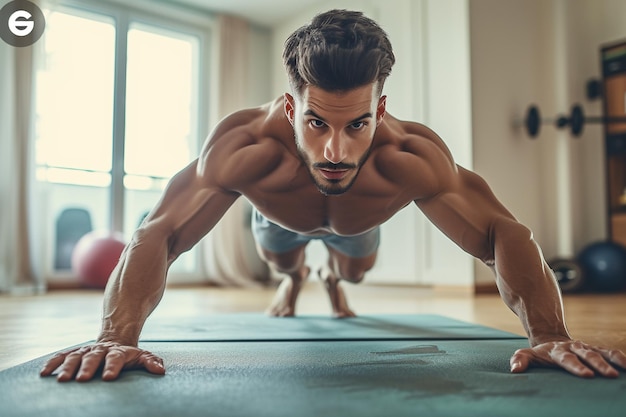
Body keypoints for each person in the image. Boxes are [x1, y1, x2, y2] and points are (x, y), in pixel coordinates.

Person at [41, 9, 626, 382]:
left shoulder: (411, 159)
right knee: (281, 259)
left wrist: (550, 334)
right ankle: (292, 280)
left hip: (356, 222)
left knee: (356, 269)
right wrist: (115, 339)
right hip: (278, 220)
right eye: (318, 124)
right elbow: (158, 231)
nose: (337, 152)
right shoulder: (245, 149)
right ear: (293, 108)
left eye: (358, 125)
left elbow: (505, 233)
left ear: (380, 108)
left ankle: (330, 281)